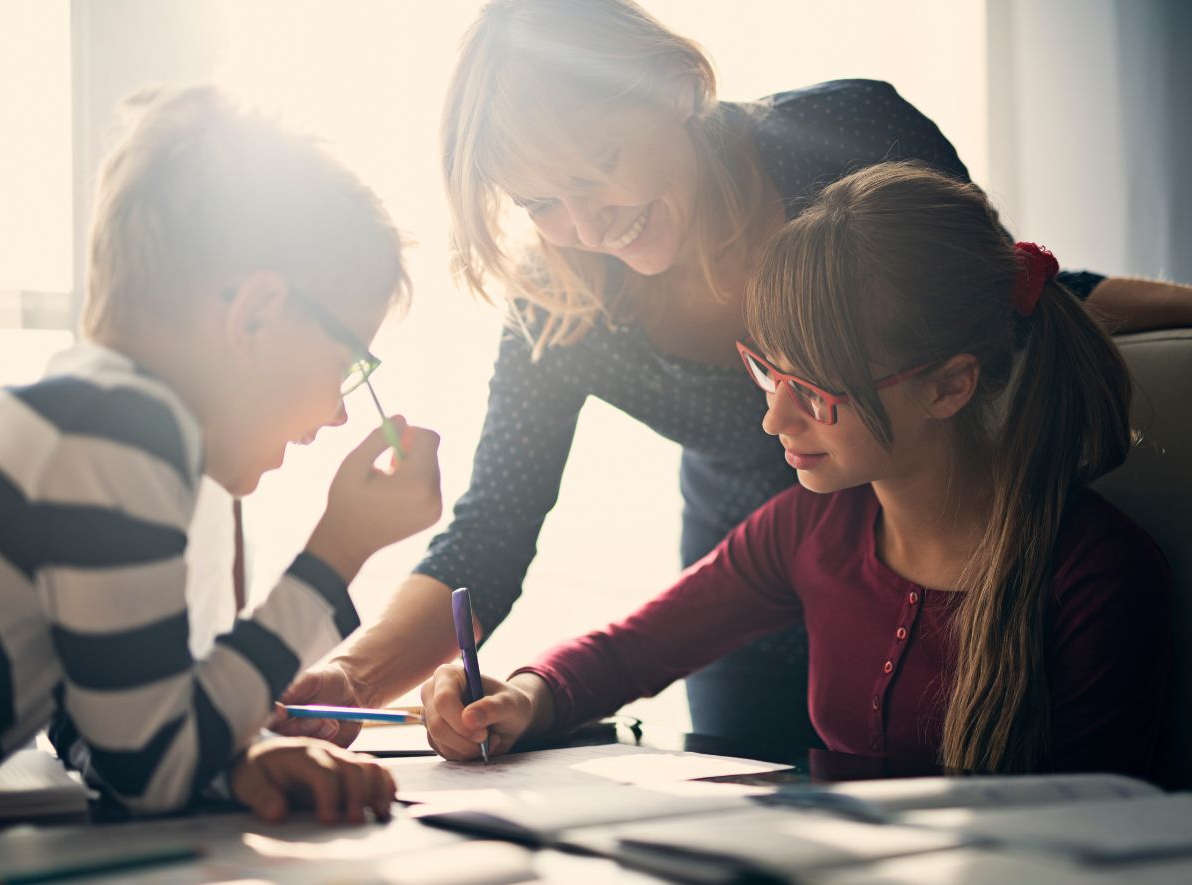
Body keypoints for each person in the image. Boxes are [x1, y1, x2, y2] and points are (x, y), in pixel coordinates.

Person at [277, 0, 1191, 749]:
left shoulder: (845, 133)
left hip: (974, 573)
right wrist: (352, 679)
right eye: (541, 202)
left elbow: (999, 290)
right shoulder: (563, 302)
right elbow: (492, 531)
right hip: (755, 578)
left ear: (674, 86)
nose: (589, 224)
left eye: (600, 165)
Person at [419, 161, 1171, 776]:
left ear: (949, 385)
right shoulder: (812, 527)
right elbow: (629, 649)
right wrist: (519, 696)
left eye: (812, 391)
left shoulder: (1096, 576)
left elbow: (1086, 834)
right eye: (768, 374)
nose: (774, 419)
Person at [0, 85, 442, 822]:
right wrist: (333, 555)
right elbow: (150, 769)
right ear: (256, 314)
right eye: (345, 361)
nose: (339, 411)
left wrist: (232, 758)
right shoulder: (119, 436)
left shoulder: (79, 417)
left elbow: (102, 724)